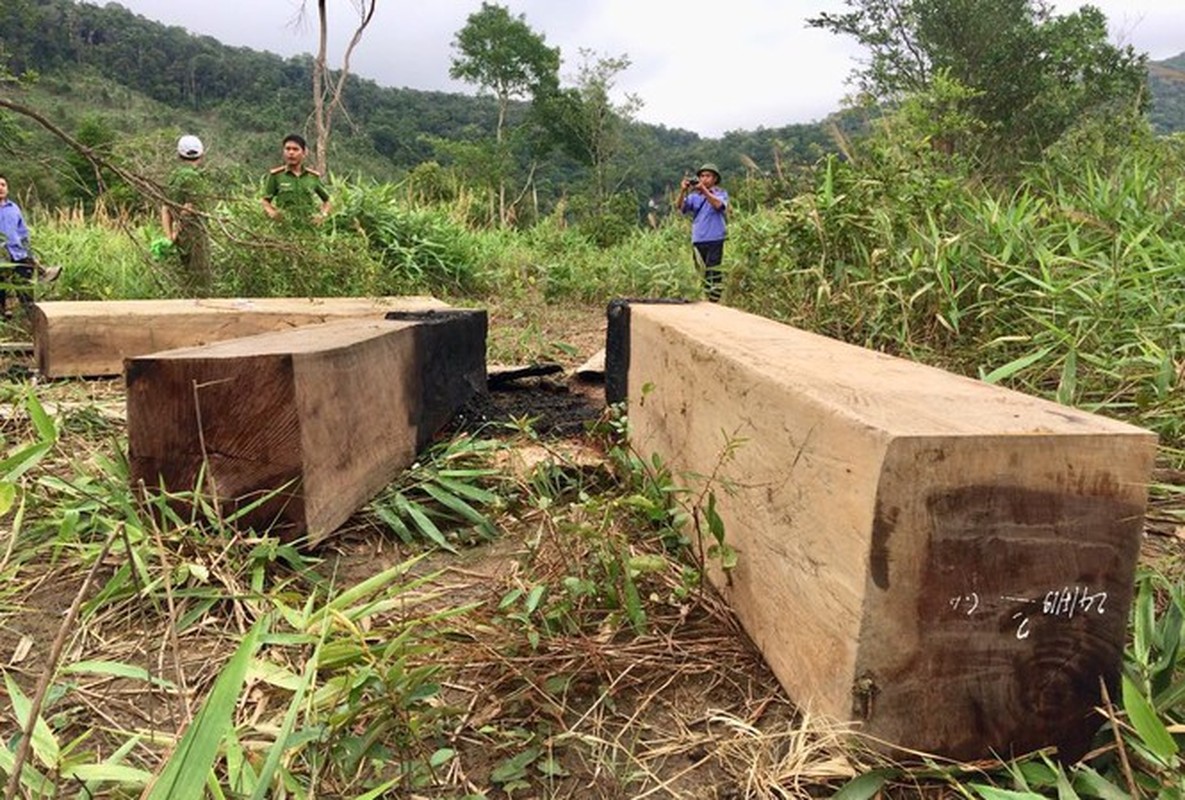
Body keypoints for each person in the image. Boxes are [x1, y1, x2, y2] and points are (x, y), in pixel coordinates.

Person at [0, 174, 59, 319]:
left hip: (18, 253)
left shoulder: (14, 208)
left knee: (24, 289)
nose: (0, 188)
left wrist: (29, 252)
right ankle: (4, 314)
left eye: (3, 185)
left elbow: (23, 232)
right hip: (1, 256)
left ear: (7, 188)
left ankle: (31, 321)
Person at [161, 134, 213, 294]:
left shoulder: (173, 177)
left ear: (179, 154)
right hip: (195, 236)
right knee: (199, 284)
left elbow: (165, 208)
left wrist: (170, 236)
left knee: (185, 279)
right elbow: (190, 208)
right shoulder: (195, 178)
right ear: (202, 154)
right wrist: (178, 230)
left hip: (181, 238)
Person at [676, 162, 729, 302]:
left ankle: (714, 301)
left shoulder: (721, 194)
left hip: (715, 238)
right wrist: (682, 191)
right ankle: (705, 299)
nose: (704, 179)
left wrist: (704, 191)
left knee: (714, 271)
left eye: (708, 176)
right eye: (702, 176)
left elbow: (718, 205)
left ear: (715, 179)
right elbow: (680, 207)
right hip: (698, 239)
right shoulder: (694, 196)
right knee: (701, 272)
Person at [261, 134, 330, 224]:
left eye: (295, 149)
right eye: (287, 149)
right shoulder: (276, 176)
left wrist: (322, 216)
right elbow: (265, 200)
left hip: (309, 230)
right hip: (284, 230)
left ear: (304, 152)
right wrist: (272, 213)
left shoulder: (313, 177)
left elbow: (327, 201)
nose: (291, 153)